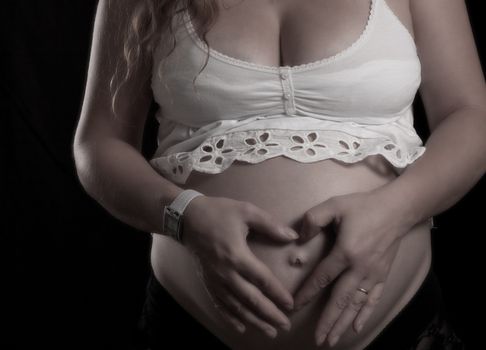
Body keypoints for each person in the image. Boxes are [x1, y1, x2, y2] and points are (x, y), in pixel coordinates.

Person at [73, 0, 483, 348]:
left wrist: (394, 213)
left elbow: (470, 117)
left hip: (397, 324)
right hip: (192, 322)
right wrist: (185, 217)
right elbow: (99, 145)